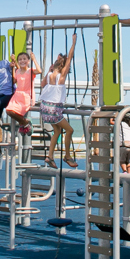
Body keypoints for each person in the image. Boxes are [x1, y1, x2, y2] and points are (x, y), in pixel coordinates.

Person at [39, 34, 78, 169]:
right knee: (70, 130)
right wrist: (73, 42)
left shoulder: (50, 75)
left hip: (44, 109)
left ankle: (50, 156)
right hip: (54, 110)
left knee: (57, 131)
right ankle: (67, 156)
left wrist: (50, 69)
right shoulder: (61, 77)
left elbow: (42, 85)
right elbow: (70, 58)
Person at [6, 52, 42, 135]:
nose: (22, 61)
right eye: (20, 59)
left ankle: (23, 123)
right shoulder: (18, 71)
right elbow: (14, 80)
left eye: (24, 59)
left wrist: (34, 59)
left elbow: (39, 71)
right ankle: (24, 122)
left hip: (26, 96)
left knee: (12, 111)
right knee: (8, 111)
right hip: (17, 95)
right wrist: (13, 64)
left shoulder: (30, 71)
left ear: (28, 61)